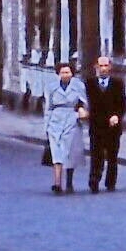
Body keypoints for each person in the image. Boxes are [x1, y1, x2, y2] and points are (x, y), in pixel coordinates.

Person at [84, 55, 126, 193]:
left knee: (112, 155)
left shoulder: (117, 83)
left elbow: (123, 102)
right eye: (100, 66)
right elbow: (83, 100)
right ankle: (94, 180)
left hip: (112, 125)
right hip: (96, 124)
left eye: (106, 66)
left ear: (110, 67)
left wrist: (117, 115)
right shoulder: (89, 83)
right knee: (96, 153)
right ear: (96, 67)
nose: (103, 69)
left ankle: (110, 182)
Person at [44, 61, 89, 194]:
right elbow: (48, 107)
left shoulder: (78, 86)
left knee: (69, 152)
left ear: (72, 73)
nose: (65, 75)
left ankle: (69, 182)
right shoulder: (51, 87)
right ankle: (57, 182)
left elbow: (84, 102)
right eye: (62, 72)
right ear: (58, 73)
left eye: (68, 72)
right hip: (56, 120)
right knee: (57, 152)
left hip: (71, 118)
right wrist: (46, 126)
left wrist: (81, 111)